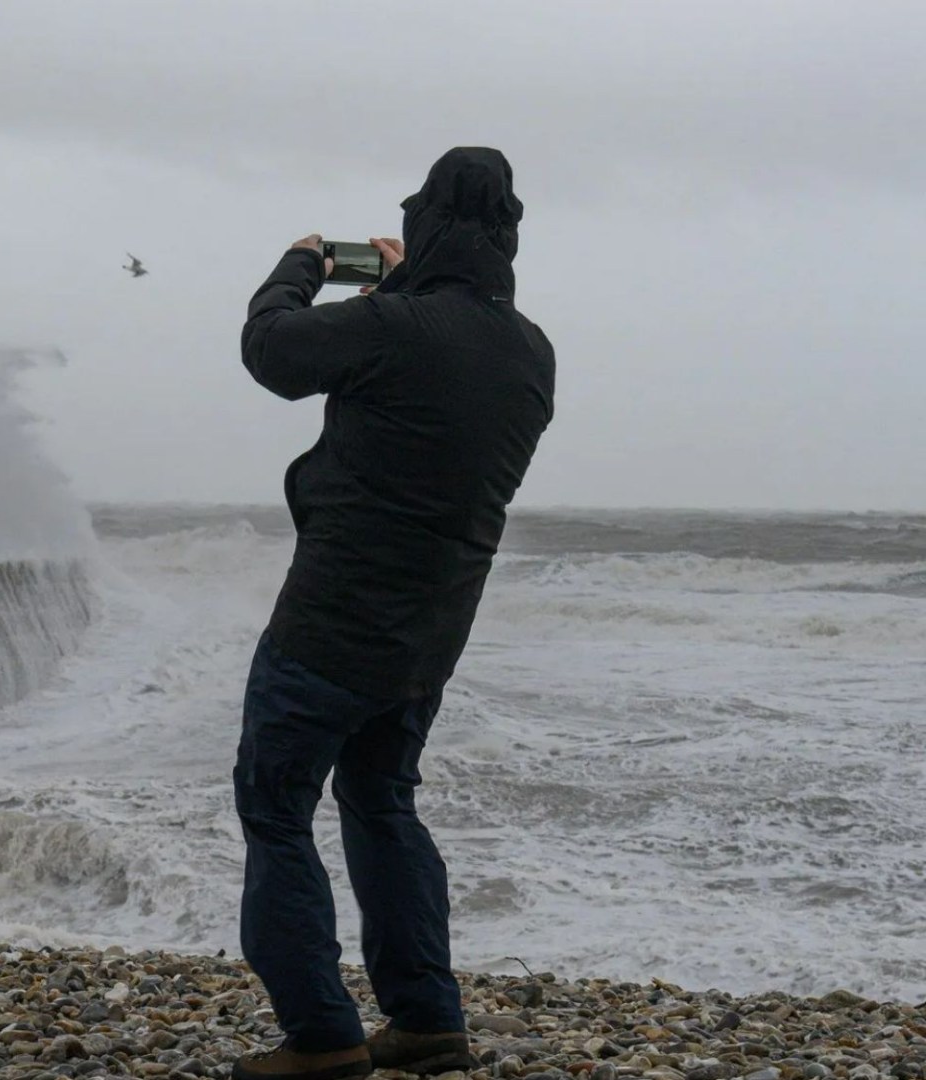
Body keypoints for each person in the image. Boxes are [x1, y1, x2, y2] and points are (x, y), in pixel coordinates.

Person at [230, 147, 556, 1080]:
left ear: (424, 225)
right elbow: (439, 384)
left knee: (277, 807)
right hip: (431, 635)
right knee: (381, 799)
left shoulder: (392, 327)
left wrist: (303, 262)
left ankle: (322, 1037)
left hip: (330, 624)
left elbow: (273, 354)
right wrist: (412, 285)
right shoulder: (530, 350)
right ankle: (425, 1020)